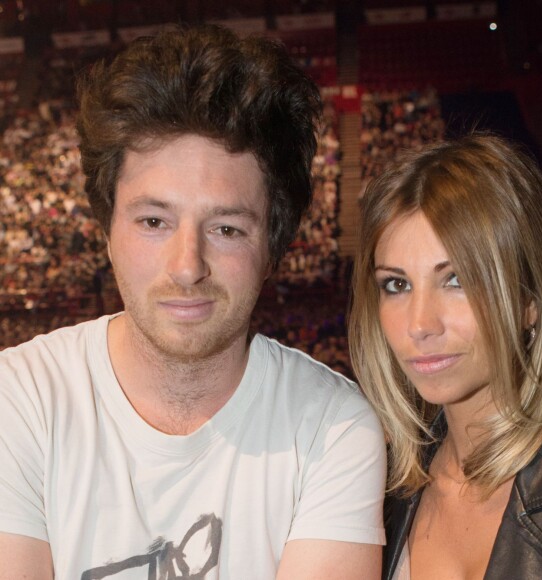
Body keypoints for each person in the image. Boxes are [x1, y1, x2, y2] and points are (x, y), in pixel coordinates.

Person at [0, 25, 387, 579]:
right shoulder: (18, 400)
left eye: (227, 229)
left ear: (272, 248)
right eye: (154, 221)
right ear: (106, 231)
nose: (187, 266)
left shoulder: (333, 429)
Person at [348, 134, 542, 579]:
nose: (419, 324)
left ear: (529, 300)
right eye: (396, 285)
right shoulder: (374, 490)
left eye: (456, 279)